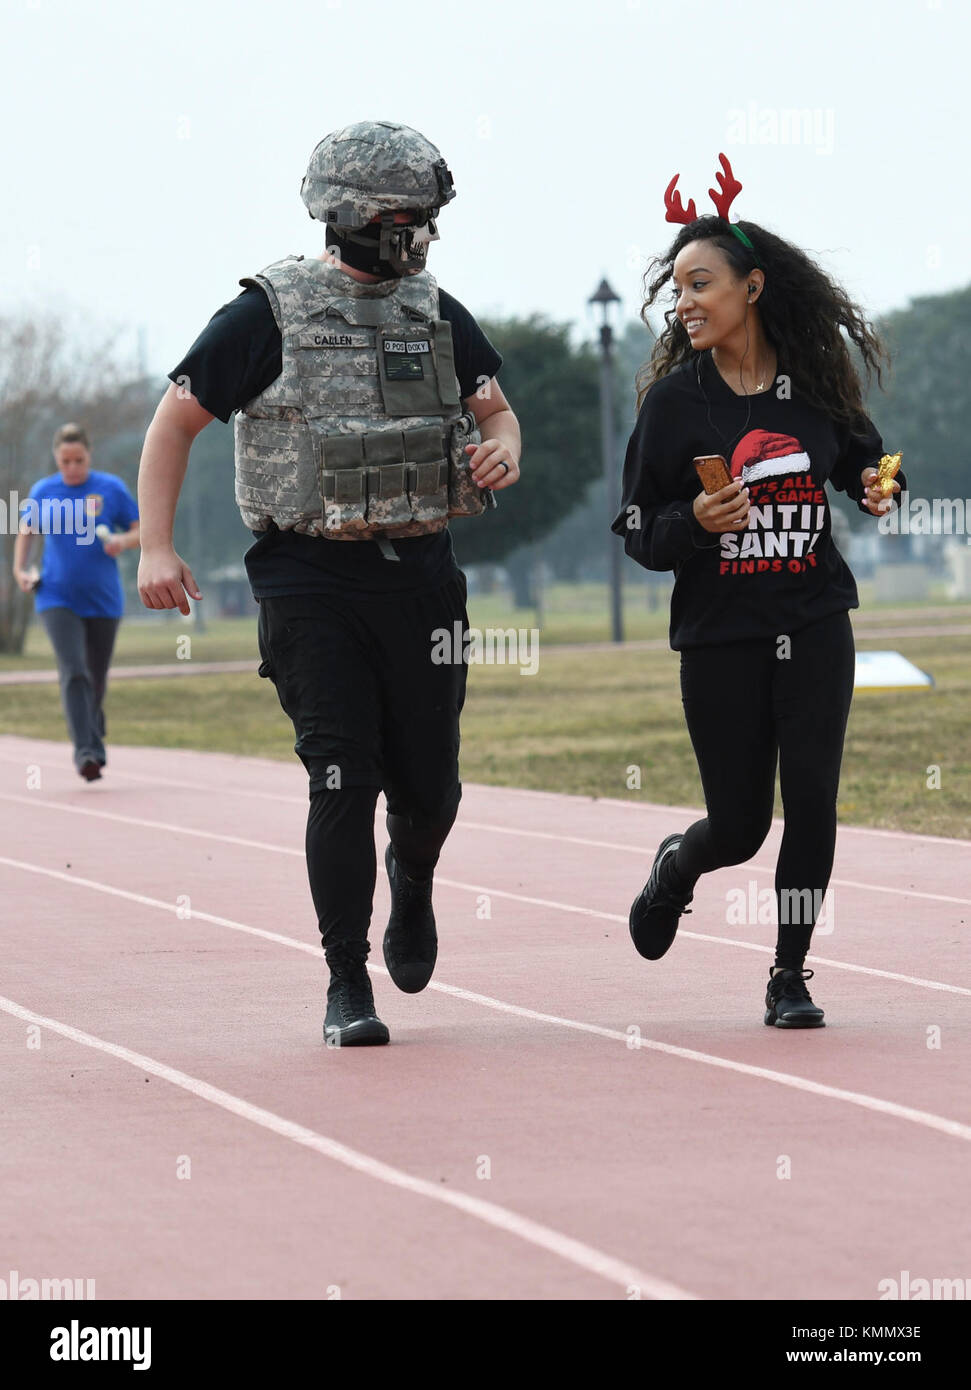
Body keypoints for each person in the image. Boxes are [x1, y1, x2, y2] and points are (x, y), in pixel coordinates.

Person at [136, 121, 521, 1047]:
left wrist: (501, 447)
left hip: (421, 576)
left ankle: (414, 876)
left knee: (431, 790)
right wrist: (155, 547)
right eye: (398, 215)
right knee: (339, 774)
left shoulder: (435, 310)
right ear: (344, 213)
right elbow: (173, 423)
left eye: (423, 217)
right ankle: (346, 979)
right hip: (309, 579)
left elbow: (497, 410)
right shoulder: (264, 313)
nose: (415, 233)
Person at [612, 154, 905, 1029]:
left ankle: (788, 974)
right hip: (718, 636)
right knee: (738, 826)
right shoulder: (671, 406)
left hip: (815, 621)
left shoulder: (813, 390)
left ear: (753, 286)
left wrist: (881, 484)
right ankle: (676, 868)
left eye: (702, 283)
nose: (686, 302)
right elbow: (635, 530)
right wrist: (694, 523)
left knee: (811, 800)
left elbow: (867, 461)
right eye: (678, 291)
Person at [13, 423, 140, 781]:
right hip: (55, 594)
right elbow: (26, 532)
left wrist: (121, 541)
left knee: (96, 678)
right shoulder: (43, 491)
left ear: (89, 455)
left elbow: (141, 529)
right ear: (56, 457)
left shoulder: (110, 488)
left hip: (103, 599)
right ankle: (86, 751)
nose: (72, 468)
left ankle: (92, 723)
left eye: (78, 460)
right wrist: (20, 570)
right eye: (65, 461)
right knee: (74, 671)